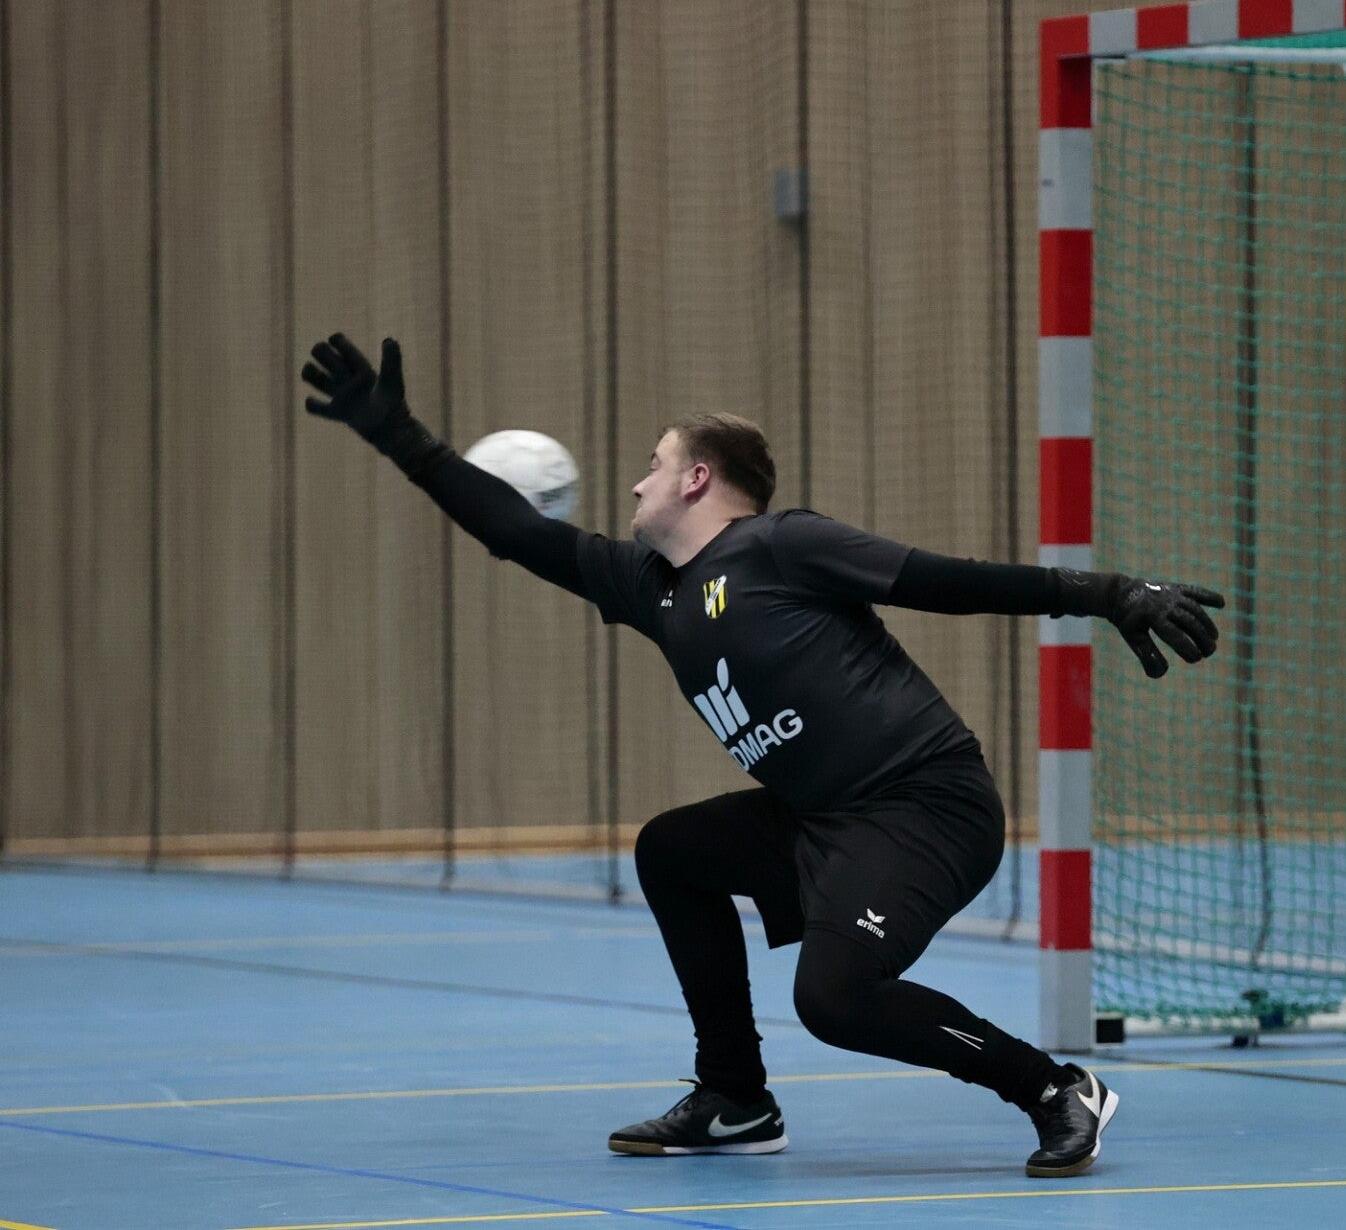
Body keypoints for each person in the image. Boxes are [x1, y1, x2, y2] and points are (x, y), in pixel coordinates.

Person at [302, 332, 1225, 1178]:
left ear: (698, 478)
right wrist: (401, 438)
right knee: (672, 850)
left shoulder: (781, 545)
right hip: (820, 818)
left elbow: (947, 581)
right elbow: (519, 534)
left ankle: (1053, 1087)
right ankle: (734, 1097)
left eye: (654, 464)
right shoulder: (651, 587)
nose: (636, 484)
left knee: (836, 997)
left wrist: (1106, 591)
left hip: (924, 806)